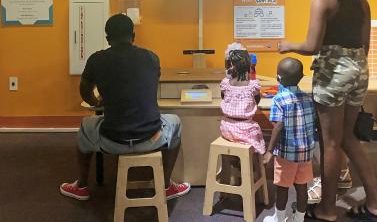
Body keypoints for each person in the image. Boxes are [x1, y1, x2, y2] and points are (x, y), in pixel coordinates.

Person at [279, 0, 377, 222]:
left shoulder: (323, 1)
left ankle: (327, 208)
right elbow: (365, 45)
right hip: (359, 71)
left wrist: (287, 45)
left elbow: (312, 46)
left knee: (329, 142)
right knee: (347, 137)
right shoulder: (361, 0)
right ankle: (376, 202)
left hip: (333, 72)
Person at [60, 13, 190, 201]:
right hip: (151, 137)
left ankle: (81, 185)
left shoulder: (97, 60)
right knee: (175, 121)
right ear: (133, 35)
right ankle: (166, 185)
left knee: (85, 126)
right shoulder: (151, 58)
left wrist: (98, 103)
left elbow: (85, 92)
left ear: (107, 38)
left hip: (113, 140)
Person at [263, 58, 316, 222]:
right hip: (306, 153)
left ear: (278, 78)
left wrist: (270, 150)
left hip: (287, 153)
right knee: (302, 188)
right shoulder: (308, 98)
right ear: (301, 77)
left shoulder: (279, 99)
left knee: (282, 188)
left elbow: (278, 126)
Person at [220, 49, 266, 157]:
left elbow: (223, 97)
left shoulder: (225, 83)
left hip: (226, 128)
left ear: (231, 66)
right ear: (249, 65)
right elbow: (257, 101)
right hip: (246, 130)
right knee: (258, 141)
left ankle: (236, 164)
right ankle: (252, 167)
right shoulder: (253, 85)